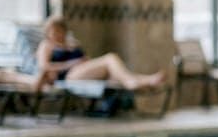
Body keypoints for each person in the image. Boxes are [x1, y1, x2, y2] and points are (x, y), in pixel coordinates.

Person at [35, 15, 166, 90]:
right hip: (68, 75)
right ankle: (135, 82)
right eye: (54, 31)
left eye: (60, 30)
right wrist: (72, 63)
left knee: (116, 74)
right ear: (48, 32)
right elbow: (44, 66)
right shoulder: (46, 45)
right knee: (110, 58)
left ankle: (147, 80)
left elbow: (84, 59)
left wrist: (85, 59)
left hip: (82, 69)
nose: (58, 34)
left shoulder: (70, 43)